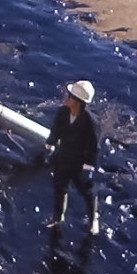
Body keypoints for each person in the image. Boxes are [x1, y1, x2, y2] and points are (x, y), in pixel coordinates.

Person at [44, 79, 100, 234]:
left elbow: (94, 146)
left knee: (86, 191)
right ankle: (58, 217)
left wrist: (88, 167)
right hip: (63, 157)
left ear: (78, 102)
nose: (66, 97)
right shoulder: (62, 113)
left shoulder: (91, 122)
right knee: (60, 187)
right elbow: (56, 131)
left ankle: (93, 218)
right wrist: (50, 144)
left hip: (80, 163)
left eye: (70, 96)